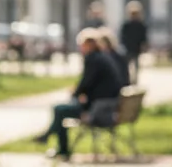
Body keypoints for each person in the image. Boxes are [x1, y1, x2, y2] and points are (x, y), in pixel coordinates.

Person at [33, 29, 124, 159]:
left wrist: (75, 94)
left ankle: (60, 147)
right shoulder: (103, 57)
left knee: (60, 110)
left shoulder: (93, 59)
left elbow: (85, 83)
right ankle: (50, 137)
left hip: (98, 110)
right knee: (63, 110)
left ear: (89, 44)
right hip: (107, 106)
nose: (81, 48)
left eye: (82, 45)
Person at [120, 2, 148, 83]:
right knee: (127, 65)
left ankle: (134, 80)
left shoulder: (141, 25)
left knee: (136, 65)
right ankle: (128, 79)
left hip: (136, 48)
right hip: (128, 48)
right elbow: (123, 36)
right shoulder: (126, 25)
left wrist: (144, 46)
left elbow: (143, 37)